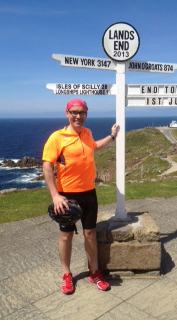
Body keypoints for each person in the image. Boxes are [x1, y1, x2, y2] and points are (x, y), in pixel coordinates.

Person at [42, 99, 118, 294]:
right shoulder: (57, 137)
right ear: (67, 113)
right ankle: (66, 275)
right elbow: (47, 166)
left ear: (86, 114)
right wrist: (55, 196)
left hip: (89, 194)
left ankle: (94, 272)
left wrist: (112, 136)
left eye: (82, 112)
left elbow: (95, 147)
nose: (78, 116)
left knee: (90, 234)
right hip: (67, 196)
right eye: (74, 112)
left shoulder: (87, 133)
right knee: (66, 235)